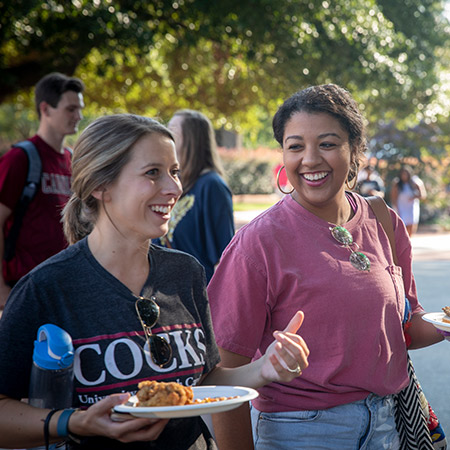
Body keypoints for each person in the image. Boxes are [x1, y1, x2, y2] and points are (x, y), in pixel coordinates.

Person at [0, 114, 309, 450]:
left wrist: (266, 368)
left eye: (174, 172)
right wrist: (76, 422)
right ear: (100, 186)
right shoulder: (46, 288)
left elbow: (203, 382)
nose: (174, 187)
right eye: (152, 173)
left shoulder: (185, 273)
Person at [207, 84, 445, 449]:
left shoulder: (384, 219)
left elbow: (404, 329)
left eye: (328, 144)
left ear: (354, 150)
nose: (310, 159)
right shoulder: (258, 243)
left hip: (390, 427)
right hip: (304, 432)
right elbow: (221, 376)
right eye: (295, 146)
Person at [0, 72, 85, 308]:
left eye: (80, 108)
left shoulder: (73, 160)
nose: (79, 116)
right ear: (46, 109)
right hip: (26, 284)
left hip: (66, 283)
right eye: (71, 109)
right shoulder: (20, 158)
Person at [154, 109, 234, 282]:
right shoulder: (171, 183)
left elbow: (225, 258)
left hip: (195, 296)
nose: (166, 135)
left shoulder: (212, 186)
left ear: (192, 139)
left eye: (173, 130)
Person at [390, 165, 427, 236]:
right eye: (403, 174)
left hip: (411, 208)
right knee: (402, 227)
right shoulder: (397, 184)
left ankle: (409, 242)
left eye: (406, 174)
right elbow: (393, 197)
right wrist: (396, 209)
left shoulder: (414, 182)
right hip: (401, 208)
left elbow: (423, 195)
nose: (404, 176)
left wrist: (414, 196)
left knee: (411, 226)